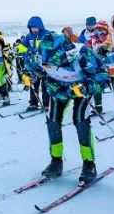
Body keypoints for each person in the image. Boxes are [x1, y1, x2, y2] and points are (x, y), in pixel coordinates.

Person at [37, 32, 107, 185]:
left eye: (52, 63)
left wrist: (87, 86)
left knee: (80, 121)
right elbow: (34, 66)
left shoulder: (83, 54)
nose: (49, 66)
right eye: (46, 63)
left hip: (80, 90)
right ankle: (56, 161)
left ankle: (89, 164)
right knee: (53, 121)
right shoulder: (42, 54)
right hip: (58, 91)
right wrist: (29, 74)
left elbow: (102, 76)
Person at [22, 16, 53, 112]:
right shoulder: (29, 36)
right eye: (31, 27)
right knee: (33, 84)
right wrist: (22, 52)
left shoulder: (47, 35)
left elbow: (51, 48)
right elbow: (23, 47)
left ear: (40, 26)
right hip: (33, 65)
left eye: (35, 27)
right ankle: (33, 103)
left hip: (45, 65)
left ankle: (46, 104)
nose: (34, 29)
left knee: (45, 85)